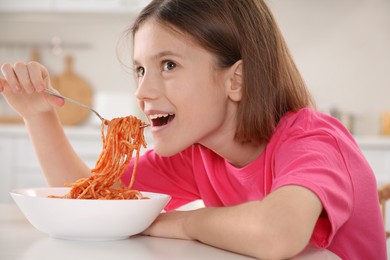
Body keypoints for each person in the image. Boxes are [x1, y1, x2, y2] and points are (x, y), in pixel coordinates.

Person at [0, 0, 386, 259]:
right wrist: (38, 116)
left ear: (237, 80)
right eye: (140, 69)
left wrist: (181, 222)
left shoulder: (314, 141)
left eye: (168, 64)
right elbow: (91, 202)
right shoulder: (197, 151)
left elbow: (278, 233)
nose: (141, 91)